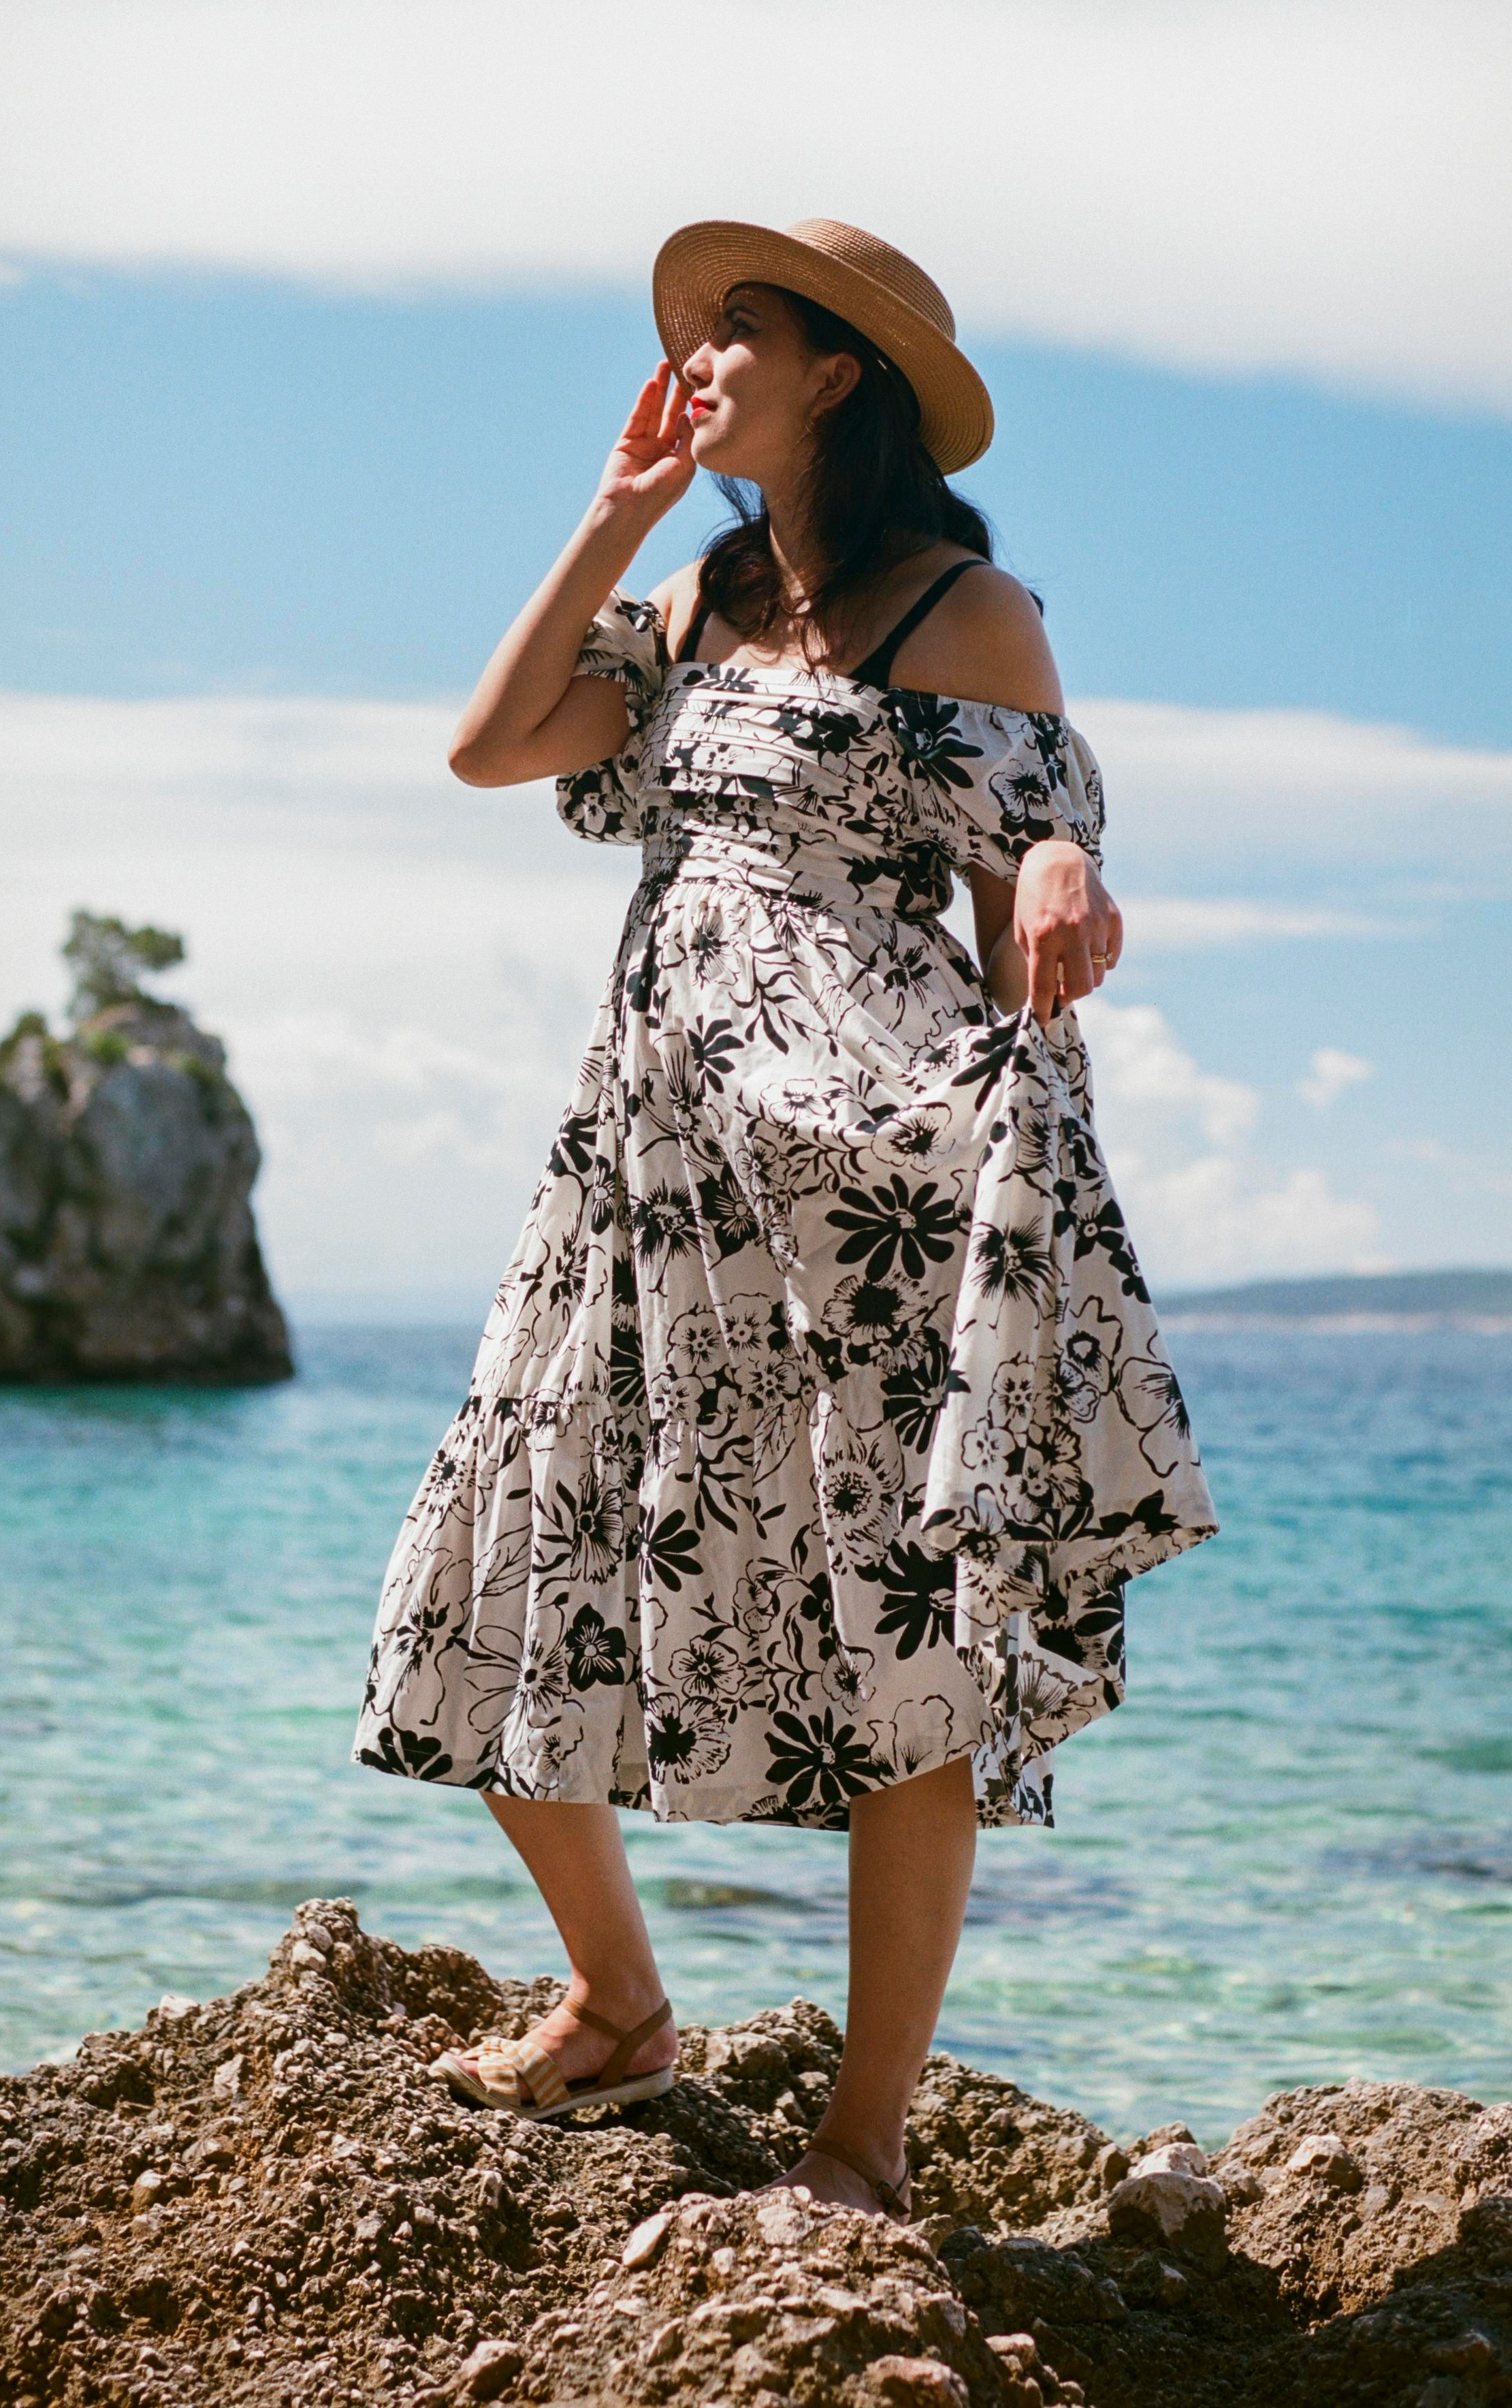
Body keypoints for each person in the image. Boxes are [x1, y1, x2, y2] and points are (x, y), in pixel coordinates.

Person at [354, 218, 1217, 2217]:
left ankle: (864, 2147)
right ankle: (616, 2007)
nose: (697, 358)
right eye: (691, 336)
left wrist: (1073, 861)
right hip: (642, 1180)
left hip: (868, 1195)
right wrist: (613, 513)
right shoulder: (691, 607)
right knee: (493, 1582)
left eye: (733, 332)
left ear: (840, 371)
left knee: (892, 1653)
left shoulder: (963, 609)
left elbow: (1043, 860)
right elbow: (492, 748)